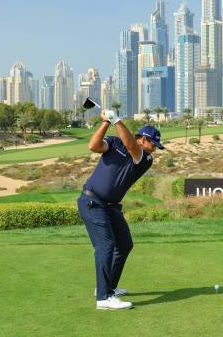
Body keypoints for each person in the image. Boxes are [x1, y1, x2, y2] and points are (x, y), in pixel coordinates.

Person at [78, 109, 164, 310]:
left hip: (111, 207)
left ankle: (108, 287)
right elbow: (93, 146)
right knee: (106, 246)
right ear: (143, 138)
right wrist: (107, 122)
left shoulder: (145, 159)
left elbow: (131, 146)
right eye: (153, 144)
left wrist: (117, 119)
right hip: (92, 202)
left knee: (124, 244)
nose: (155, 149)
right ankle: (103, 298)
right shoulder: (115, 143)